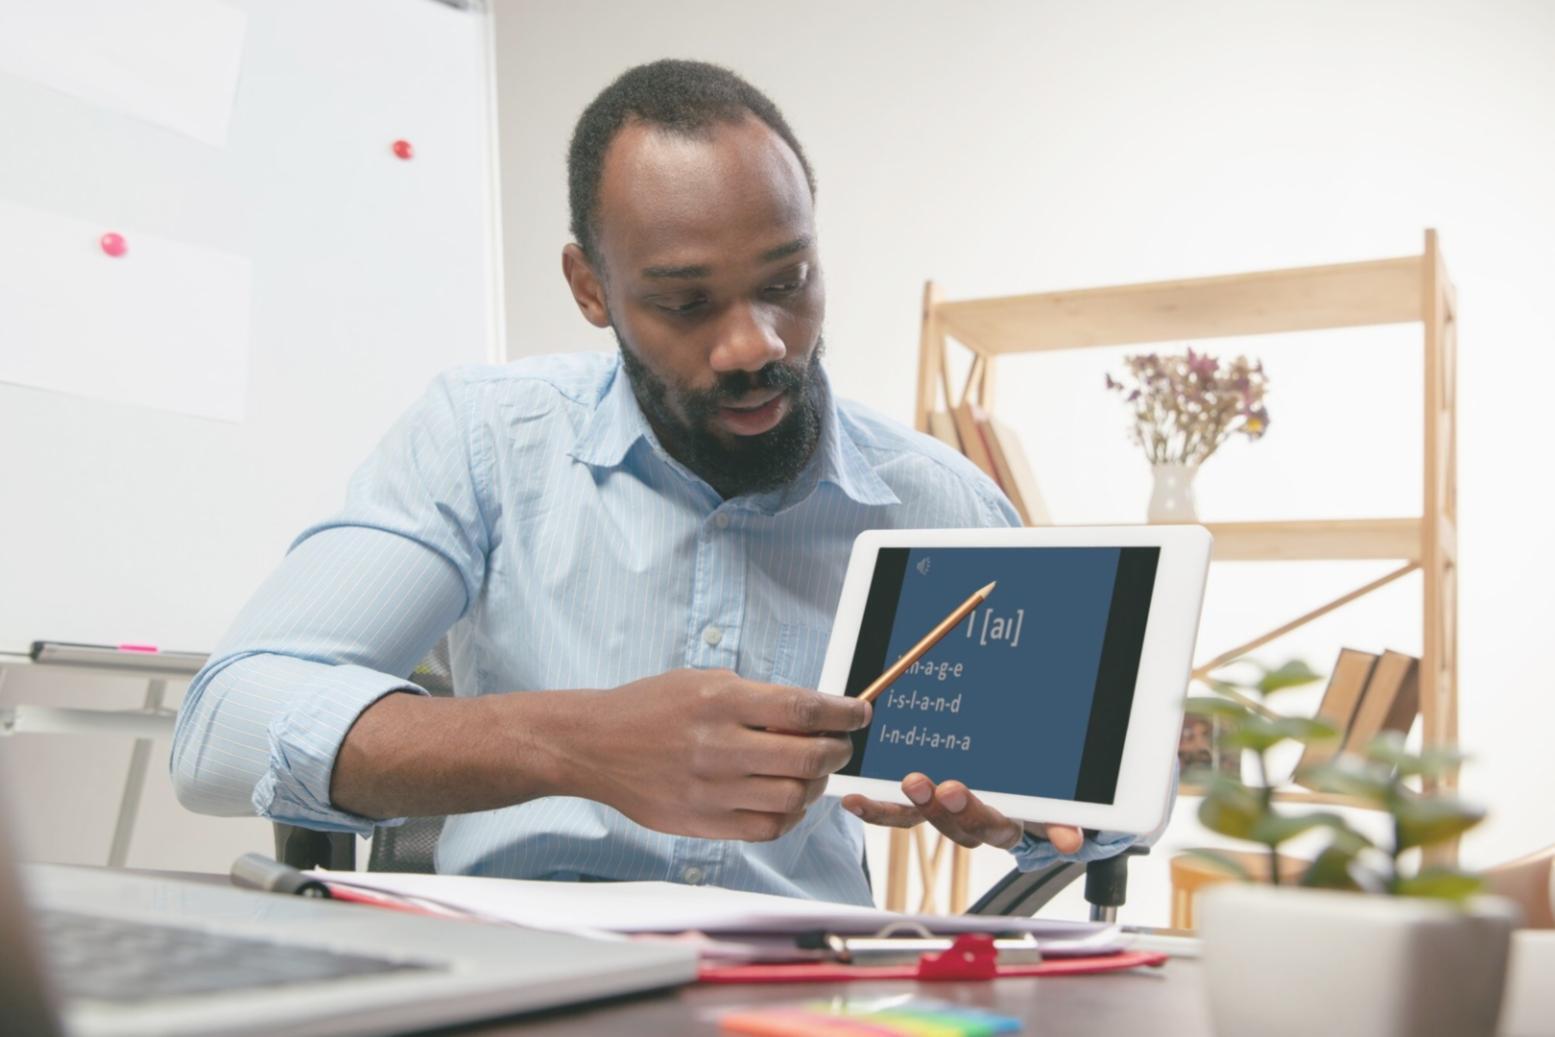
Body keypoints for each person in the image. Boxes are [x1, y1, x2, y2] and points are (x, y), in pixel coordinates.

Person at [172, 59, 1133, 905]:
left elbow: (1098, 814)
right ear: (590, 287)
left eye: (787, 281)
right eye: (684, 301)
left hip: (805, 992)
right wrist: (576, 742)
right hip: (521, 977)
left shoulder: (944, 501)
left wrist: (1054, 812)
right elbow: (221, 727)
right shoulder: (483, 439)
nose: (755, 343)